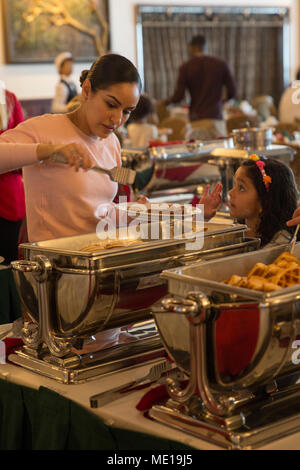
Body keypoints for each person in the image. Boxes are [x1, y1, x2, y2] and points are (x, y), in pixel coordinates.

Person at [0, 53, 221, 244]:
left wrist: (192, 213)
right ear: (87, 91)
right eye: (111, 104)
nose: (117, 119)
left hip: (98, 256)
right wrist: (47, 151)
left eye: (127, 111)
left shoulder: (111, 142)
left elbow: (106, 214)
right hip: (55, 268)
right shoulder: (43, 128)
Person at [163, 34, 236, 138]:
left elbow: (178, 96)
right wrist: (221, 101)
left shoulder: (186, 67)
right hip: (215, 117)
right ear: (205, 46)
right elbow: (232, 91)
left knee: (197, 152)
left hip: (196, 120)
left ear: (191, 48)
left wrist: (165, 102)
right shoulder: (220, 64)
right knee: (219, 152)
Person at [229, 154, 299, 247]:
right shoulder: (235, 232)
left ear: (264, 201)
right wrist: (204, 216)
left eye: (241, 188)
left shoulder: (281, 244)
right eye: (235, 184)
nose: (230, 192)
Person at [0, 85, 26, 263]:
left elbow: (21, 148)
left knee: (11, 264)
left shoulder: (8, 98)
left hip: (9, 196)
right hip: (9, 192)